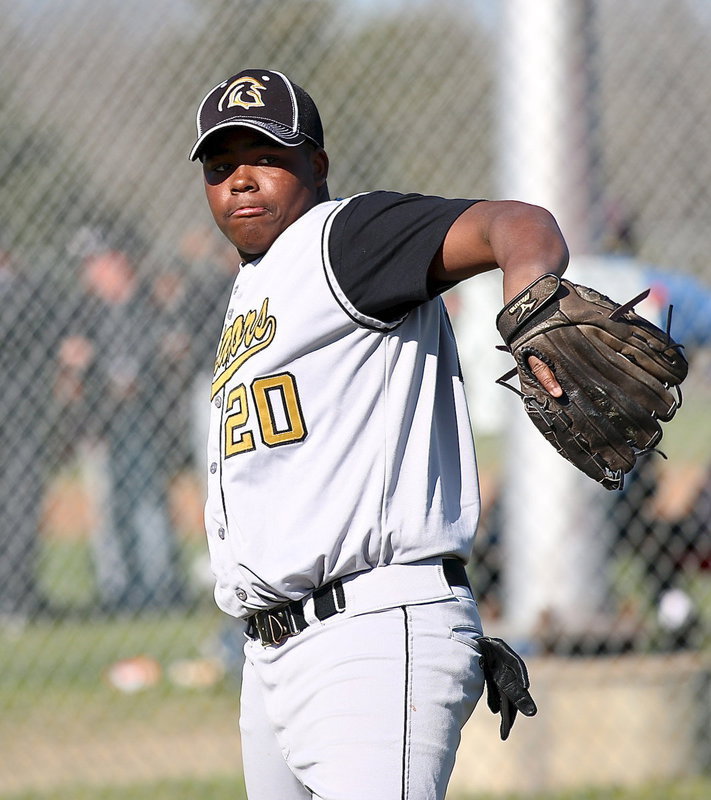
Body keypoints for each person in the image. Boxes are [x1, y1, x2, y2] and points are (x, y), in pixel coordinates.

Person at [190, 68, 568, 800]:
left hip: (366, 636)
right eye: (220, 164)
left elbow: (517, 223)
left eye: (265, 156)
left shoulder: (345, 240)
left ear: (317, 165)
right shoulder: (255, 286)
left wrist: (531, 301)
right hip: (271, 657)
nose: (240, 180)